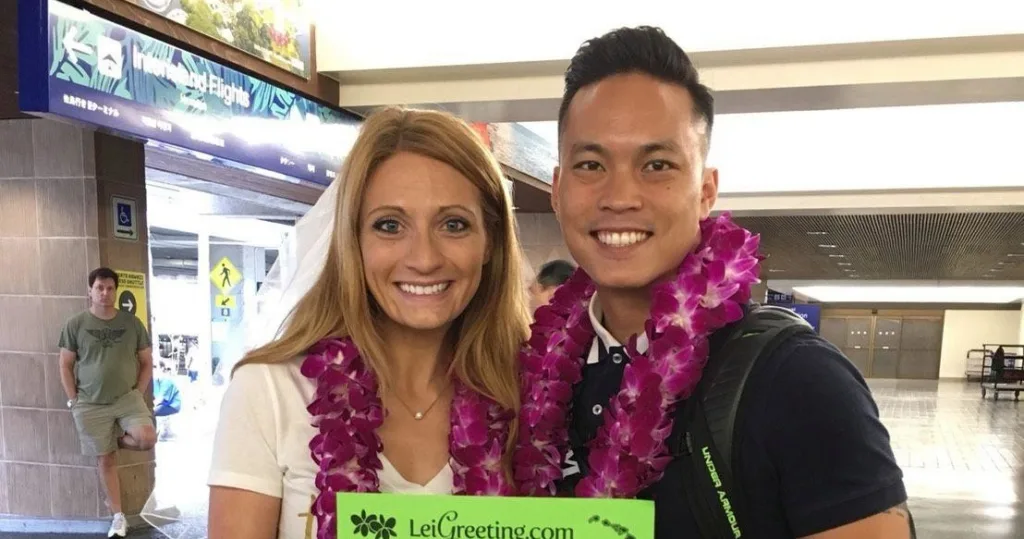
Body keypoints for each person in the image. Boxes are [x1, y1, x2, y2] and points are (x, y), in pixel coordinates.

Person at [511, 27, 911, 538]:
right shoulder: (526, 379)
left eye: (657, 165)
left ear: (705, 192)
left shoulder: (796, 380)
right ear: (558, 189)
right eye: (591, 164)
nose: (620, 195)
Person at [208, 107, 530, 539]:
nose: (424, 258)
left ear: (489, 243)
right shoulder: (270, 392)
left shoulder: (530, 395)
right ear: (353, 240)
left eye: (454, 224)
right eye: (389, 225)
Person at [58, 267, 156, 538]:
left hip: (127, 399)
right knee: (106, 459)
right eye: (99, 287)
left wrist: (138, 391)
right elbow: (65, 365)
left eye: (110, 288)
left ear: (116, 291)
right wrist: (73, 401)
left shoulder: (132, 323)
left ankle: (113, 437)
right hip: (89, 404)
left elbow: (147, 362)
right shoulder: (75, 324)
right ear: (90, 291)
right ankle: (118, 516)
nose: (105, 293)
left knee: (147, 438)